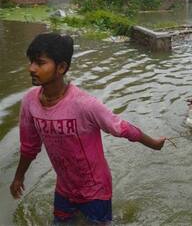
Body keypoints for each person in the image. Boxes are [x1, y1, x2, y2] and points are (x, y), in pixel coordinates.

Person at [9, 33, 166, 224]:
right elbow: (29, 146)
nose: (31, 69)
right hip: (64, 189)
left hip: (96, 191)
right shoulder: (29, 103)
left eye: (39, 63)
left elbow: (122, 128)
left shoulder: (84, 104)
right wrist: (19, 177)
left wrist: (154, 144)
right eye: (31, 62)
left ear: (61, 68)